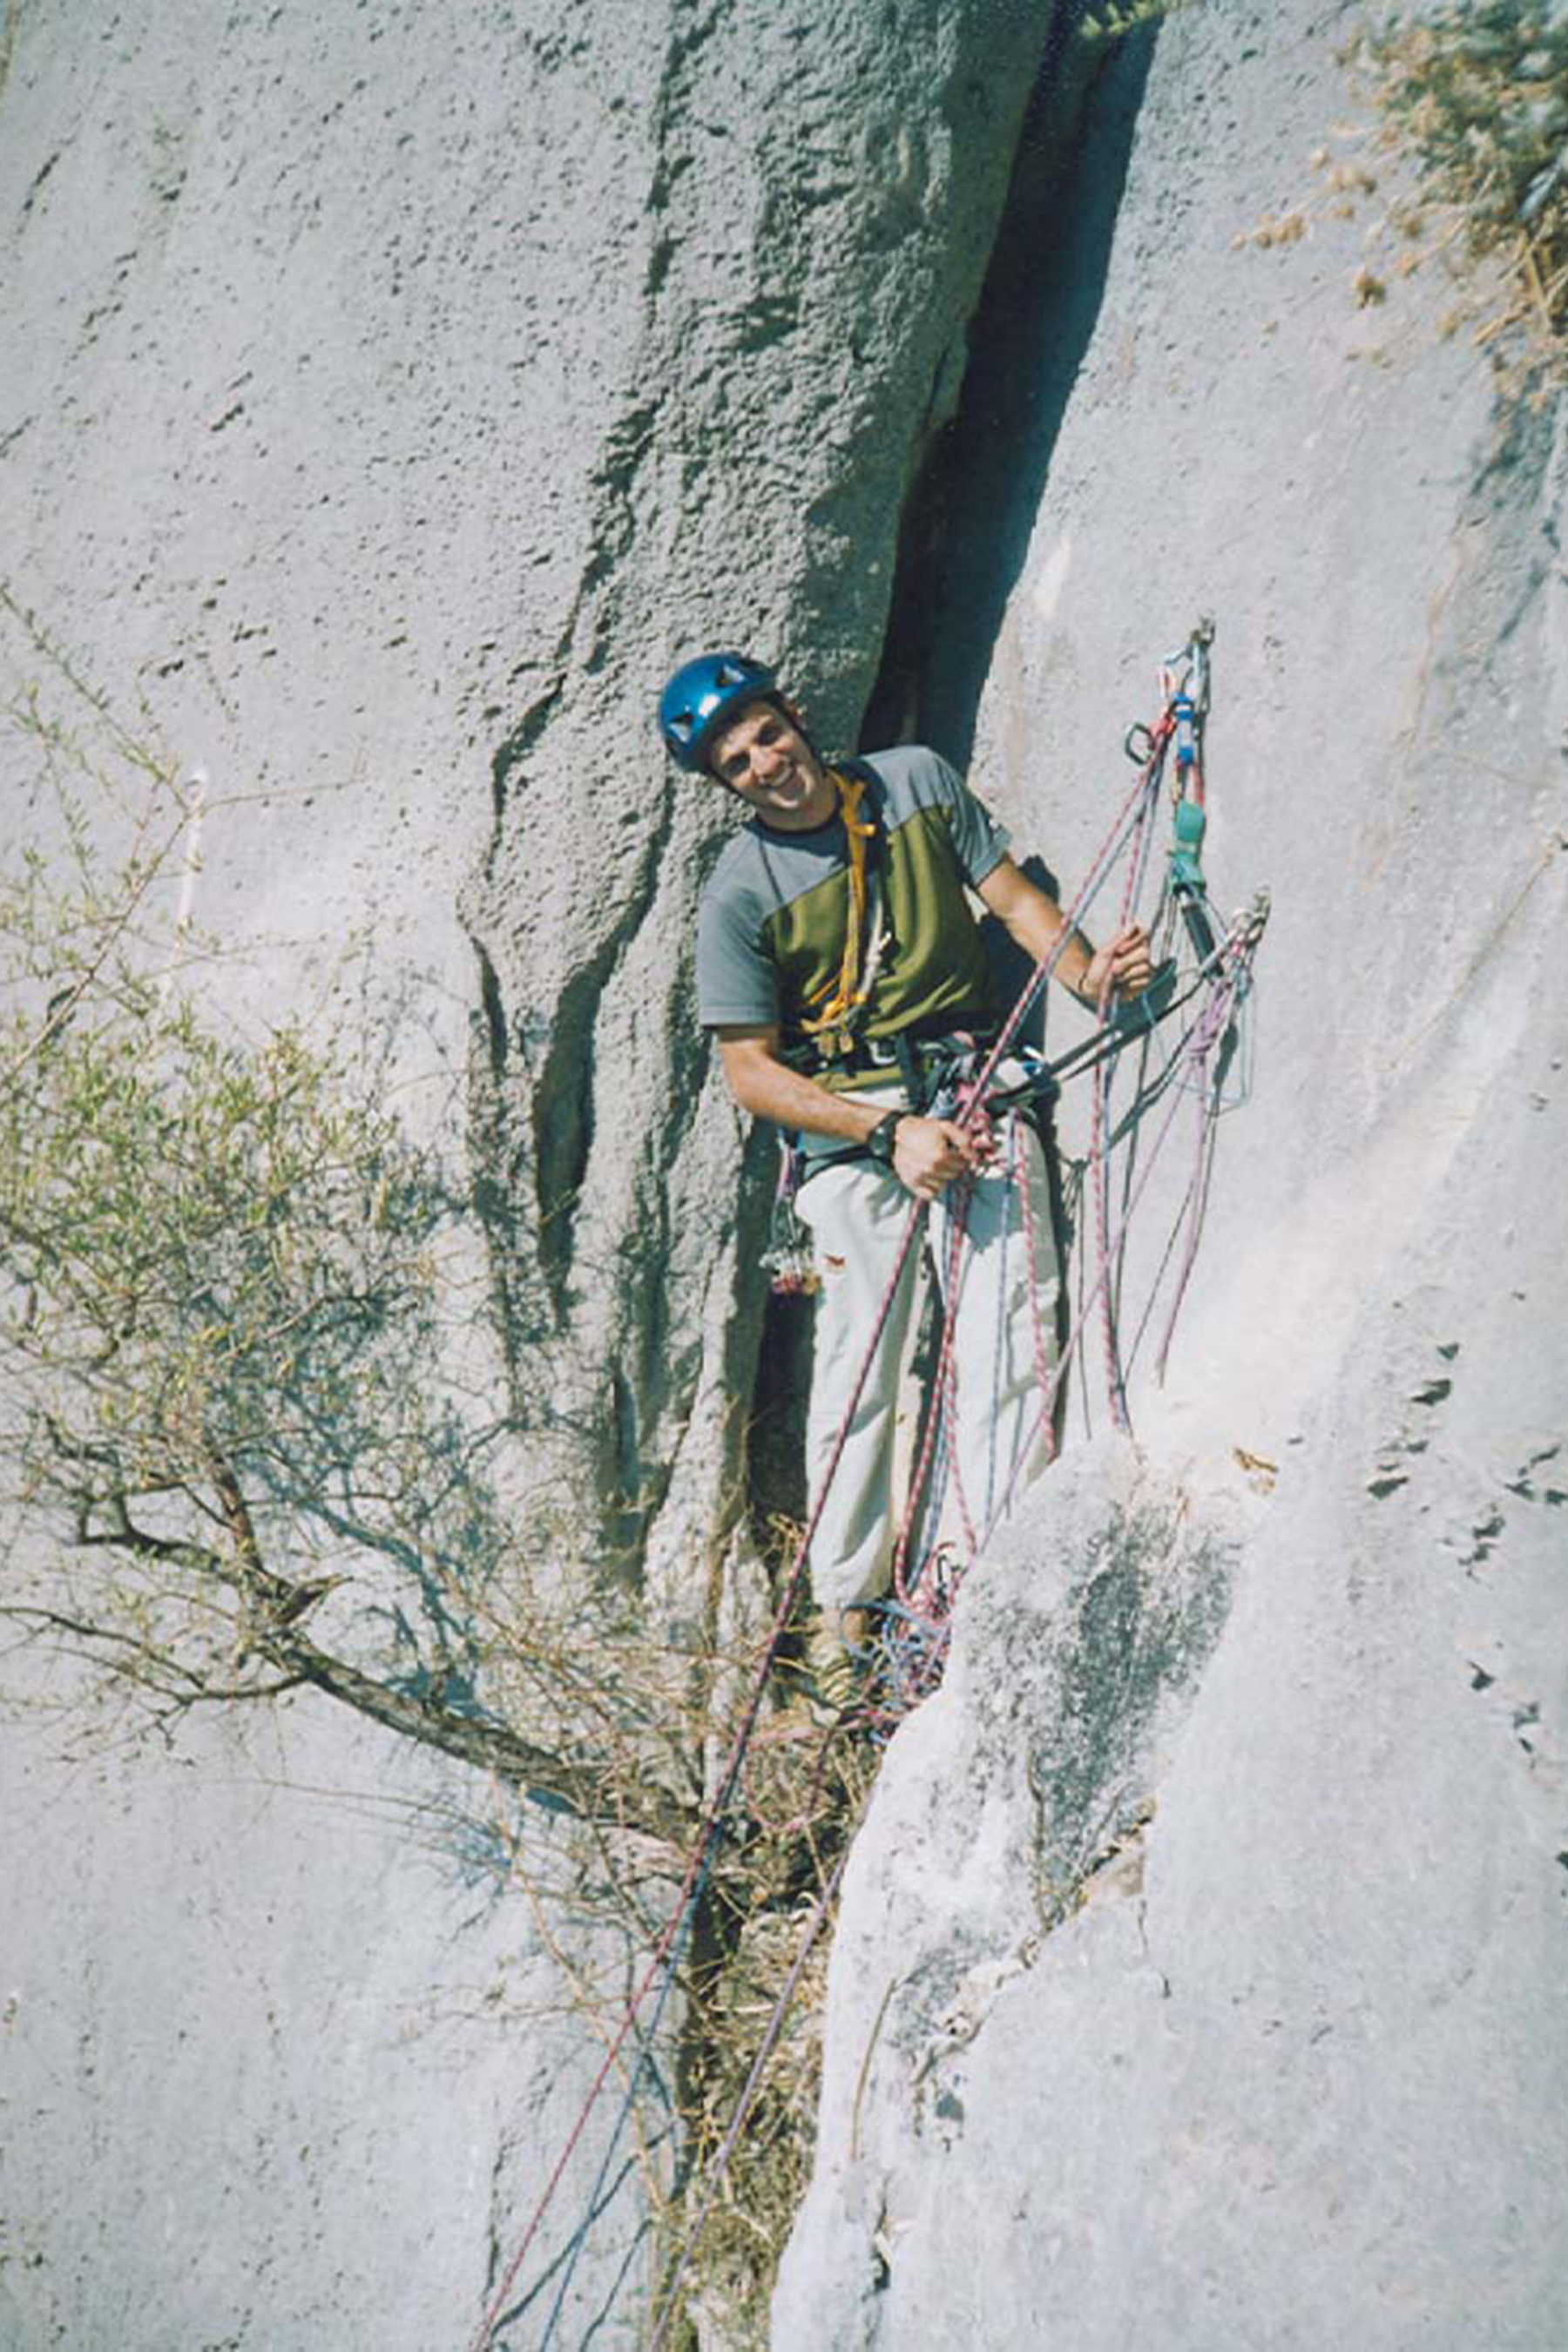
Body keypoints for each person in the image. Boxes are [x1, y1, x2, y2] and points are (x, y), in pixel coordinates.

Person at [660, 651, 1151, 1693]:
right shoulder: (739, 894)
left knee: (1011, 1322)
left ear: (795, 715)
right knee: (859, 1373)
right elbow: (751, 1072)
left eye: (767, 734)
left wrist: (1089, 975)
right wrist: (888, 1134)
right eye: (737, 762)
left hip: (970, 1085)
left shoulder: (915, 782)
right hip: (855, 1128)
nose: (765, 764)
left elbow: (1012, 902)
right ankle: (845, 1623)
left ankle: (989, 1578)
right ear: (725, 785)